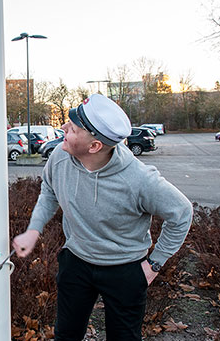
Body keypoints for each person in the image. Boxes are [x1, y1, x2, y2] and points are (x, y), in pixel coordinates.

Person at [12, 94, 193, 341]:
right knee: (66, 335)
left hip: (125, 270)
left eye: (72, 128)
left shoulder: (140, 180)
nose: (63, 128)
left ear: (94, 146)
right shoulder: (60, 155)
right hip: (76, 262)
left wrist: (154, 265)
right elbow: (49, 191)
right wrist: (34, 230)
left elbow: (182, 213)